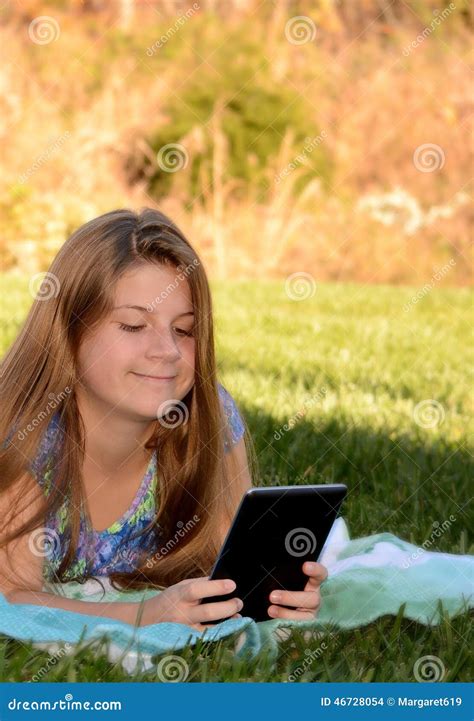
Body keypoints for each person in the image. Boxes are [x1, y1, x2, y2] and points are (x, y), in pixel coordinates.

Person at [0, 208, 327, 631]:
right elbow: (11, 598)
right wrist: (145, 615)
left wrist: (276, 588)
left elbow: (228, 567)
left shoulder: (210, 418)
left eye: (184, 330)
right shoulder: (27, 437)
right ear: (69, 330)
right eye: (134, 326)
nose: (167, 351)